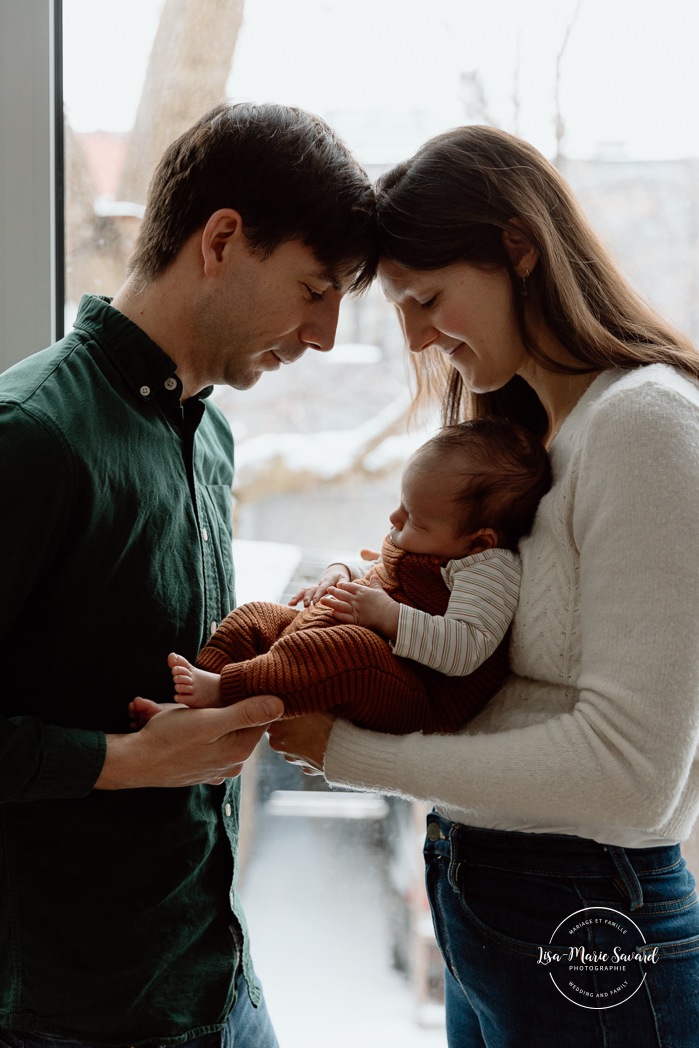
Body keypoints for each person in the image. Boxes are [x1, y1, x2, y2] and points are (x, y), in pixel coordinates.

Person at [266, 124, 699, 1047]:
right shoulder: (539, 442)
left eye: (427, 298)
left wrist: (347, 752)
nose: (417, 337)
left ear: (519, 248)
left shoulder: (646, 426)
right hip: (489, 891)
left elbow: (633, 777)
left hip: (586, 918)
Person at [0, 102, 377, 1048]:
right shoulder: (31, 437)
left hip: (216, 975)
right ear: (221, 241)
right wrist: (119, 761)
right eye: (315, 288)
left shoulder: (211, 437)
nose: (325, 335)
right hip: (75, 1012)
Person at [131, 418, 550, 735]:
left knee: (347, 651)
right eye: (401, 504)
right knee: (255, 617)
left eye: (414, 520)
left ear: (480, 541)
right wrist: (342, 571)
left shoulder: (489, 569)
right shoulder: (432, 544)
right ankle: (199, 709)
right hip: (342, 639)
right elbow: (378, 573)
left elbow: (465, 648)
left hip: (415, 691)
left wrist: (386, 616)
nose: (394, 519)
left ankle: (227, 691)